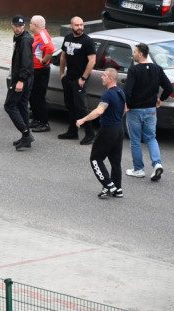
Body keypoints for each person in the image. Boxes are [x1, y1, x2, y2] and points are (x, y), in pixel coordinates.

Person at [122, 42, 171, 181]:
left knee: (135, 140)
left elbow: (127, 91)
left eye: (135, 52)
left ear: (141, 54)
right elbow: (168, 88)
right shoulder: (157, 69)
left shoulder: (134, 70)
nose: (133, 54)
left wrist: (129, 105)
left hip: (135, 110)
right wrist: (161, 99)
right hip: (151, 110)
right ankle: (157, 164)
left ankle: (138, 169)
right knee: (151, 138)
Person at [78, 67, 126, 199]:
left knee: (95, 158)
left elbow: (99, 111)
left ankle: (108, 185)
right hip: (119, 129)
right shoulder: (120, 92)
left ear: (110, 79)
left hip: (108, 130)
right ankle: (118, 189)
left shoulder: (107, 94)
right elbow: (125, 109)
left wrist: (83, 119)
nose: (101, 77)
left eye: (104, 75)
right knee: (115, 161)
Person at [58, 16, 97, 144]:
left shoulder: (87, 41)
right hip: (69, 77)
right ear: (71, 26)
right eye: (77, 25)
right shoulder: (68, 38)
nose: (79, 27)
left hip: (80, 79)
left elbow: (92, 61)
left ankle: (90, 134)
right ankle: (72, 131)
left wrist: (84, 78)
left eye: (81, 25)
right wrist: (62, 73)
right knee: (70, 105)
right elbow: (63, 56)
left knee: (81, 107)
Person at [6, 15, 35, 150]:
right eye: (16, 25)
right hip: (27, 77)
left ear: (24, 26)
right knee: (23, 105)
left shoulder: (23, 41)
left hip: (22, 78)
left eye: (20, 26)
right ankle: (26, 139)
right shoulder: (20, 38)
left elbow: (26, 62)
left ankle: (26, 134)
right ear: (12, 25)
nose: (18, 28)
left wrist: (20, 81)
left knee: (10, 106)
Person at [28, 15, 55, 132]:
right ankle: (36, 118)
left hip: (40, 70)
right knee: (32, 96)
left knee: (39, 97)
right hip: (34, 69)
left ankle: (44, 122)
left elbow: (51, 49)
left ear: (36, 25)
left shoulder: (43, 35)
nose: (29, 25)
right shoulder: (37, 35)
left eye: (30, 23)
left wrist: (44, 61)